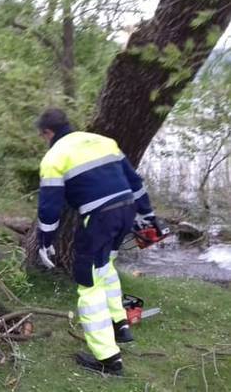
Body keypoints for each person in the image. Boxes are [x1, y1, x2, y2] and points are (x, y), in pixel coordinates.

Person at [34, 108, 162, 375]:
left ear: (47, 133)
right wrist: (147, 215)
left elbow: (50, 206)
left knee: (88, 284)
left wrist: (45, 241)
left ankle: (108, 359)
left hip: (100, 217)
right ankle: (120, 324)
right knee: (105, 268)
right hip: (126, 209)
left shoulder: (54, 156)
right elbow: (135, 182)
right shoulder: (103, 141)